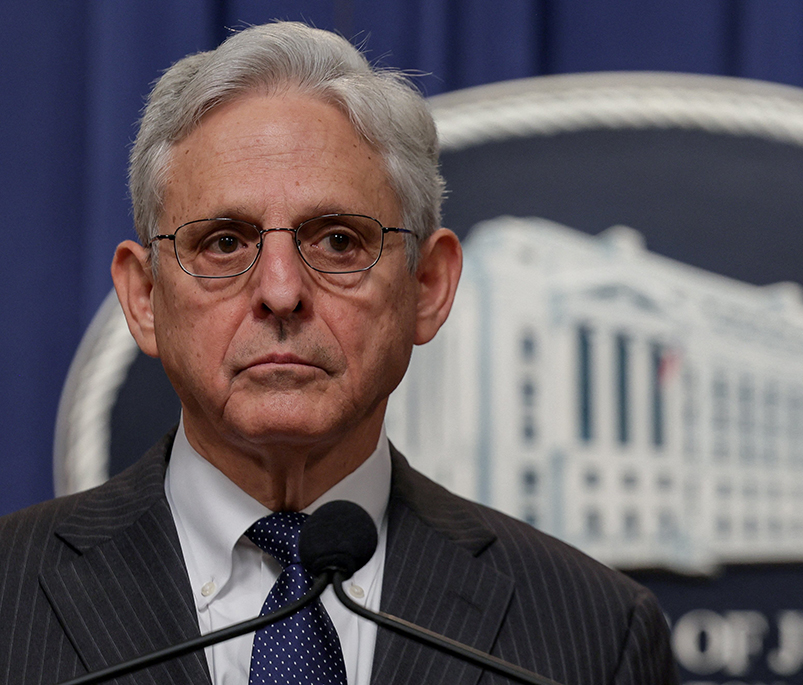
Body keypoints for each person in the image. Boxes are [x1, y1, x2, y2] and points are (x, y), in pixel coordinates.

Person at [0, 21, 677, 685]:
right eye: (225, 243)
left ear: (427, 287)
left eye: (339, 242)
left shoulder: (594, 633)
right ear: (145, 296)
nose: (281, 291)